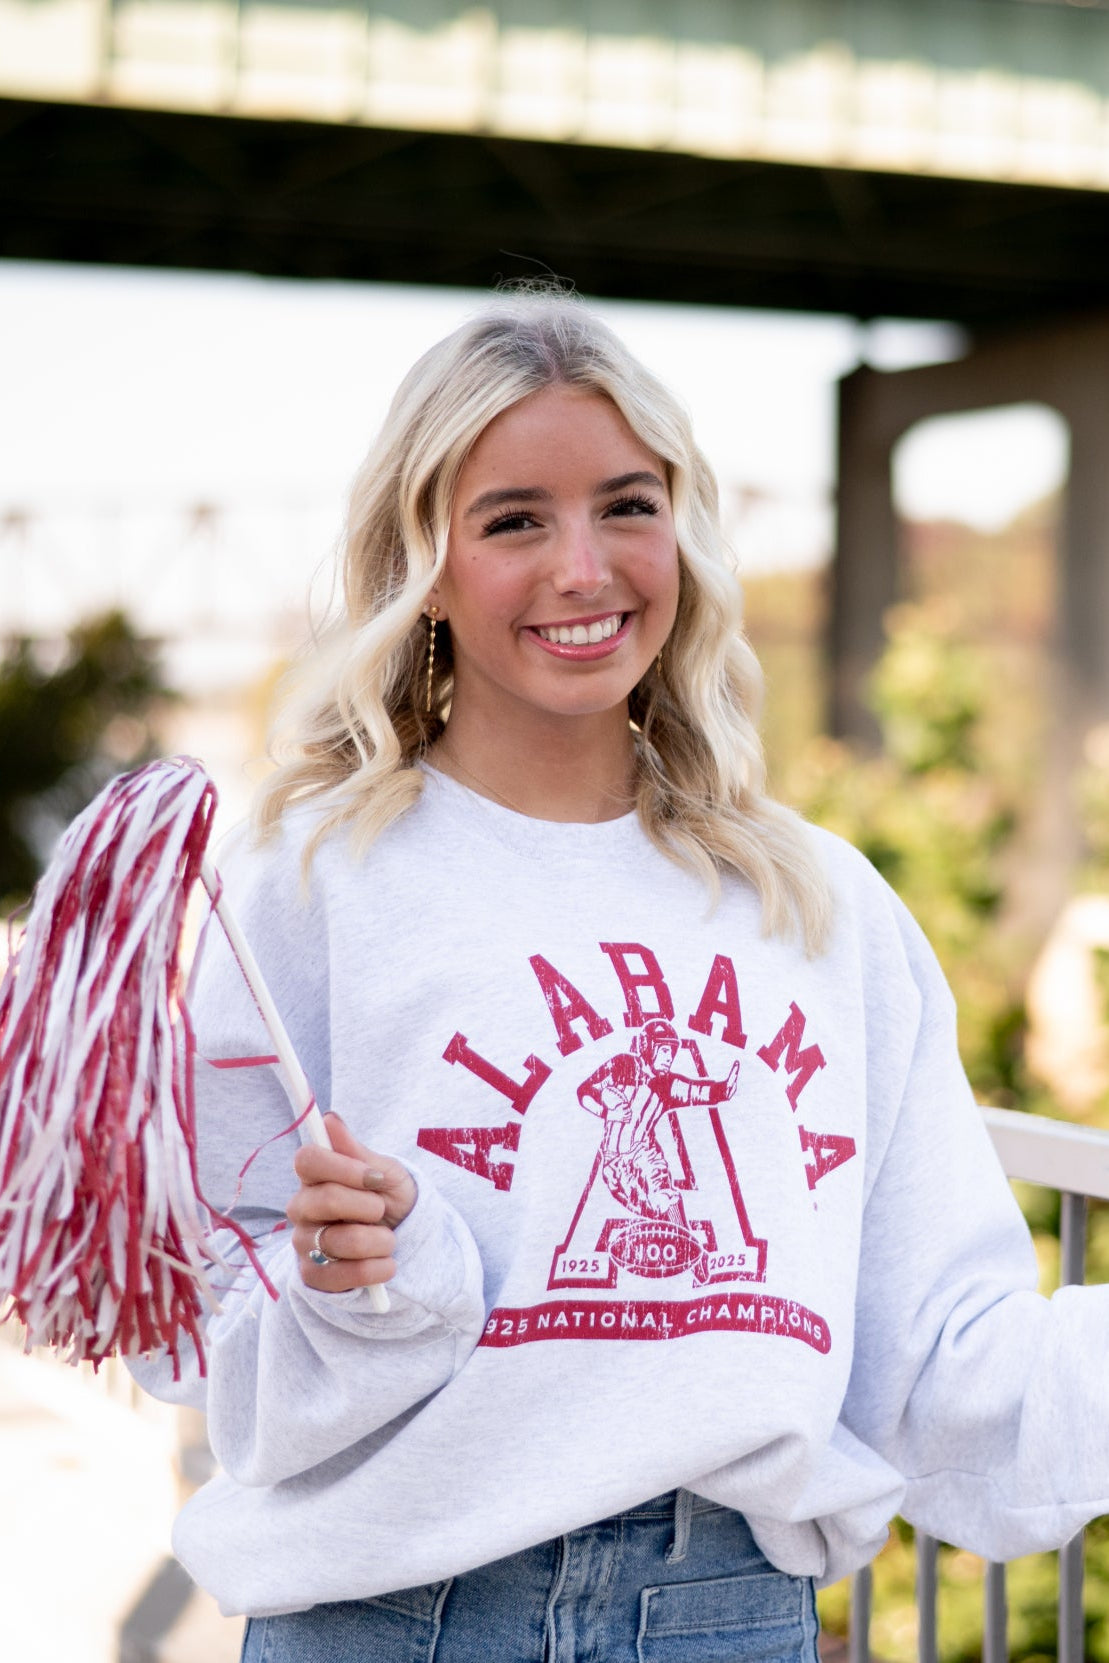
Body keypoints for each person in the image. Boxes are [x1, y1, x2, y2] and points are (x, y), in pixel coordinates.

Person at [131, 291, 1109, 1662]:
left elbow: (939, 1358)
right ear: (425, 565)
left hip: (723, 1615)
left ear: (683, 534)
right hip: (388, 1615)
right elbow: (195, 1332)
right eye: (513, 520)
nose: (582, 569)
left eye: (627, 506)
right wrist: (369, 1292)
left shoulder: (819, 906)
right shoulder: (307, 885)